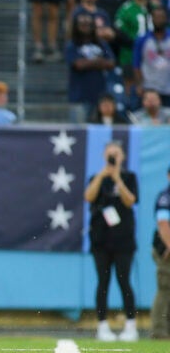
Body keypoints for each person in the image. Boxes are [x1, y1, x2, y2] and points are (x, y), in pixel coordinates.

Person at [84, 141, 139, 342]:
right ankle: (102, 325)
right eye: (109, 155)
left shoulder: (129, 177)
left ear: (122, 156)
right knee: (103, 283)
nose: (113, 158)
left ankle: (131, 325)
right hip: (101, 240)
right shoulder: (97, 178)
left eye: (116, 154)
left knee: (124, 281)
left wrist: (117, 178)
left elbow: (130, 201)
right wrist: (102, 175)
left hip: (123, 240)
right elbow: (88, 196)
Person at [151, 166, 170, 339]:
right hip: (166, 251)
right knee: (165, 288)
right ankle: (158, 331)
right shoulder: (165, 197)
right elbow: (163, 223)